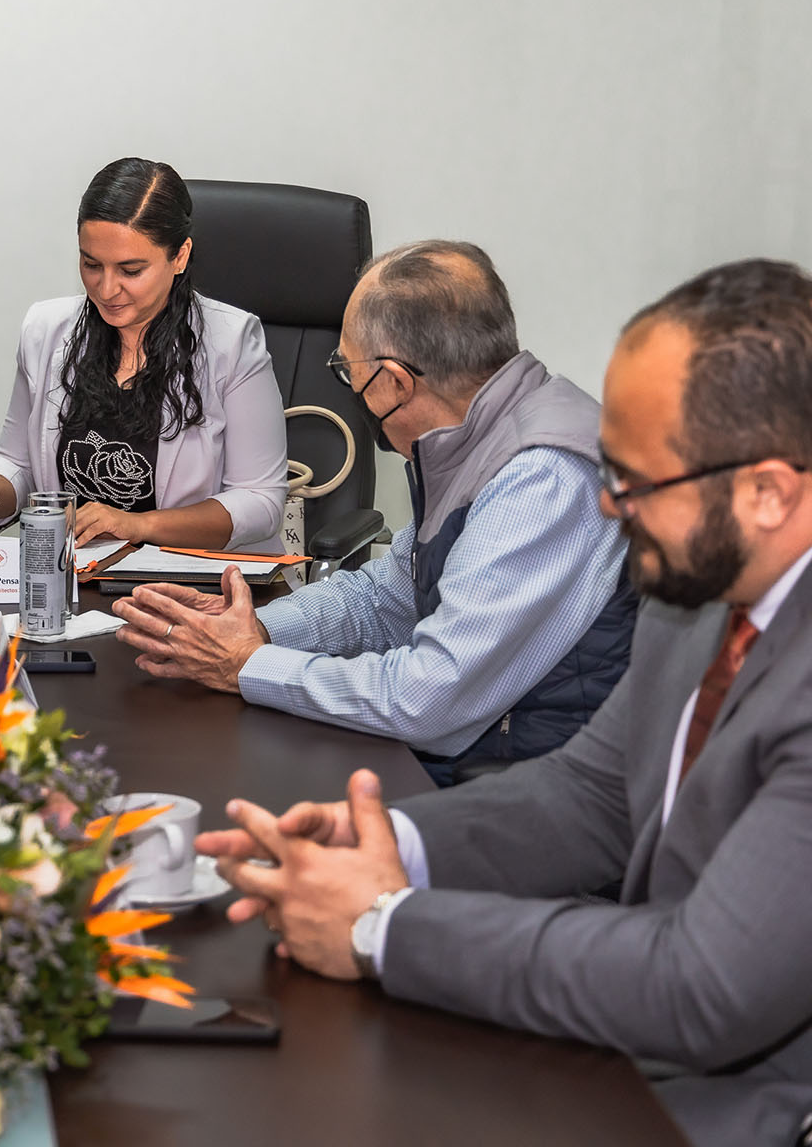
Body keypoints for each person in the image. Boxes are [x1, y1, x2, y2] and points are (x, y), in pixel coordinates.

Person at [202, 258, 812, 1147]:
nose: (607, 503)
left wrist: (384, 928)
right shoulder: (701, 595)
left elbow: (699, 991)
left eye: (638, 484)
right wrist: (391, 845)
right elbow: (594, 794)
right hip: (642, 1022)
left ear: (768, 492)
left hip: (747, 1100)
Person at [114, 241, 634, 784]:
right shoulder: (479, 438)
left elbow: (425, 701)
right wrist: (246, 629)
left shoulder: (539, 477)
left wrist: (247, 665)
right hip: (488, 763)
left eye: (347, 370)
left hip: (539, 793)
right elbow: (384, 600)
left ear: (393, 382)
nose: (350, 388)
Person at [0, 158, 287, 549]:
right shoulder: (44, 330)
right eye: (92, 264)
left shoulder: (233, 343)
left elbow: (261, 502)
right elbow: (20, 465)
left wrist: (137, 525)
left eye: (130, 270)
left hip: (192, 583)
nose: (106, 289)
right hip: (76, 578)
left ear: (179, 256)